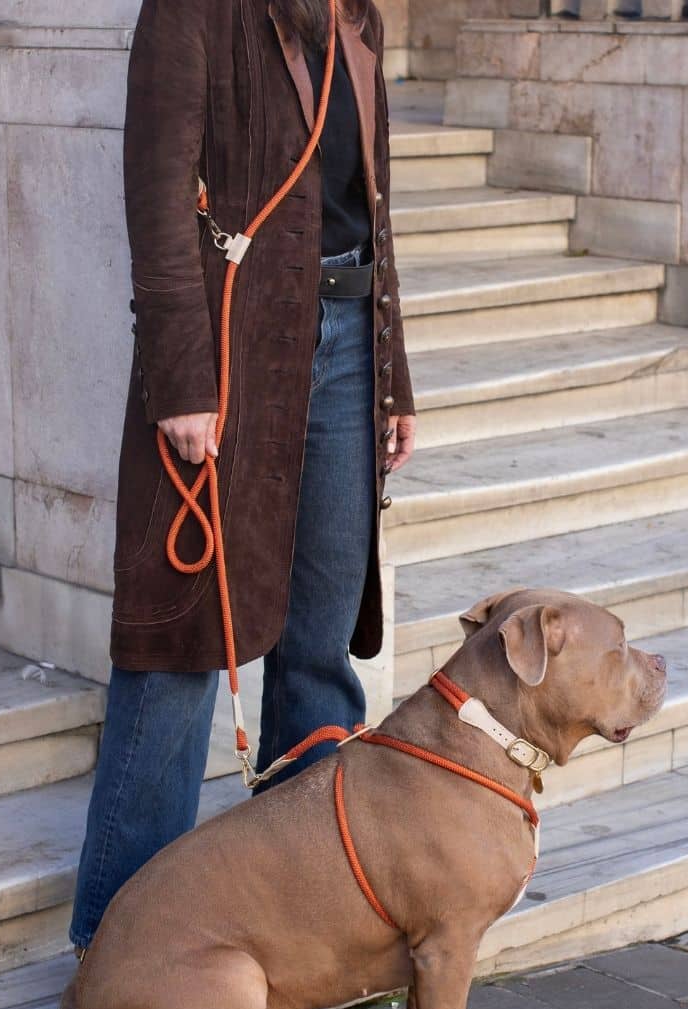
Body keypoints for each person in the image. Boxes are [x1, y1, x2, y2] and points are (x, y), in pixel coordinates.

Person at [68, 0, 416, 959]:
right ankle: (117, 953)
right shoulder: (193, 8)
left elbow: (372, 209)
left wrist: (394, 377)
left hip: (346, 348)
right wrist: (182, 378)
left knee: (318, 645)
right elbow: (158, 194)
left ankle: (309, 927)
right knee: (183, 640)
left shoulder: (356, 19)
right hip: (232, 351)